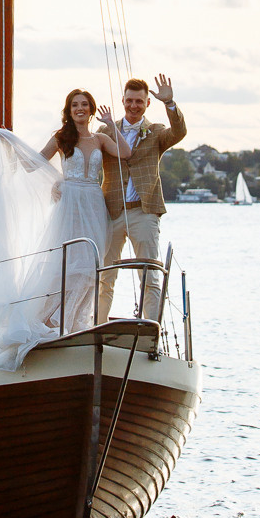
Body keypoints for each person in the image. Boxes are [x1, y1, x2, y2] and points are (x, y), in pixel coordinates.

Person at [97, 73, 186, 322]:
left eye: (139, 101)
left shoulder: (156, 132)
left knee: (149, 275)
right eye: (129, 101)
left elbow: (179, 132)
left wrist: (170, 103)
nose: (134, 106)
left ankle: (151, 331)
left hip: (144, 211)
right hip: (111, 211)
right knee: (105, 275)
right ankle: (97, 328)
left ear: (147, 103)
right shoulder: (106, 130)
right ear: (122, 101)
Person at [39, 88, 119, 331]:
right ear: (69, 110)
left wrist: (111, 125)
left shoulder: (100, 139)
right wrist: (57, 180)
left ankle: (74, 322)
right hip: (70, 203)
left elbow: (125, 153)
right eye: (75, 105)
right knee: (65, 260)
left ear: (91, 109)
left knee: (89, 263)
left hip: (94, 204)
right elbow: (39, 160)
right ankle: (50, 319)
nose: (80, 108)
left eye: (84, 104)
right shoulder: (61, 137)